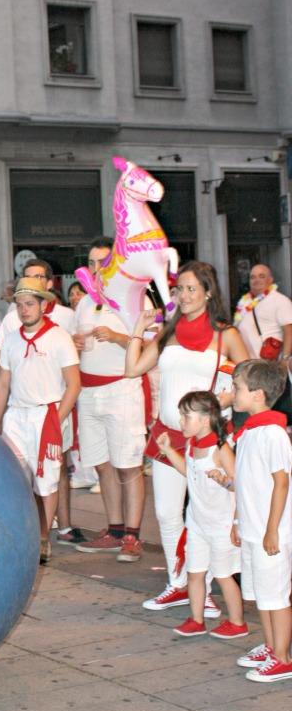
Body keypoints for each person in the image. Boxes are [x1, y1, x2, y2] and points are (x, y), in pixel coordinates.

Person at [126, 260, 248, 612]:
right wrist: (138, 327)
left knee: (204, 516)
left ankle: (202, 588)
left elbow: (251, 380)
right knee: (167, 513)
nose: (184, 295)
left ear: (209, 293)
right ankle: (177, 583)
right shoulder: (168, 331)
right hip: (167, 435)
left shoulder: (227, 335)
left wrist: (227, 399)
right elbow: (132, 368)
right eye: (179, 289)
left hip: (207, 441)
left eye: (192, 288)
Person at [0, 277, 81, 563]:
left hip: (47, 414)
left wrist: (56, 420)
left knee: (47, 480)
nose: (24, 310)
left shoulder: (59, 337)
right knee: (14, 476)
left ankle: (43, 537)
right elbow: (3, 382)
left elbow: (74, 384)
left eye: (29, 304)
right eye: (19, 305)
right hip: (17, 415)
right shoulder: (12, 339)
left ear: (44, 305)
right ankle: (21, 532)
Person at [215, 360, 292, 681]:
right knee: (261, 593)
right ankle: (271, 644)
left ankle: (283, 657)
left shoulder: (273, 434)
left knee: (276, 595)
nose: (233, 393)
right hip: (251, 527)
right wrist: (237, 521)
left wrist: (272, 529)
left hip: (269, 531)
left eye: (237, 388)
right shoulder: (249, 431)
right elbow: (245, 482)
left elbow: (282, 482)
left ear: (258, 395)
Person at [72, 237, 147, 562]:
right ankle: (114, 530)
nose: (95, 268)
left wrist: (119, 338)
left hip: (122, 389)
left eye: (102, 262)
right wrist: (75, 343)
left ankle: (133, 535)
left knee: (128, 466)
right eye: (90, 262)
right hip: (89, 392)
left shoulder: (134, 299)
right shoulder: (84, 304)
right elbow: (78, 346)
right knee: (102, 464)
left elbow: (151, 347)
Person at [155, 391, 247, 639]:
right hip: (197, 521)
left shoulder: (221, 448)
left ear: (206, 420)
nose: (181, 422)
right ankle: (196, 619)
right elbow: (189, 471)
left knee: (223, 575)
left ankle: (237, 622)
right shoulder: (191, 443)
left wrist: (224, 482)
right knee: (194, 572)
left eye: (186, 417)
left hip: (221, 524)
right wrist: (167, 450)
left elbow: (240, 485)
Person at [233, 264, 292, 362]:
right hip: (246, 363)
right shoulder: (245, 301)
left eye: (262, 276)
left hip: (268, 365)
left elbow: (289, 331)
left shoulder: (280, 300)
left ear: (270, 279)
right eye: (253, 277)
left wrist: (285, 360)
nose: (256, 280)